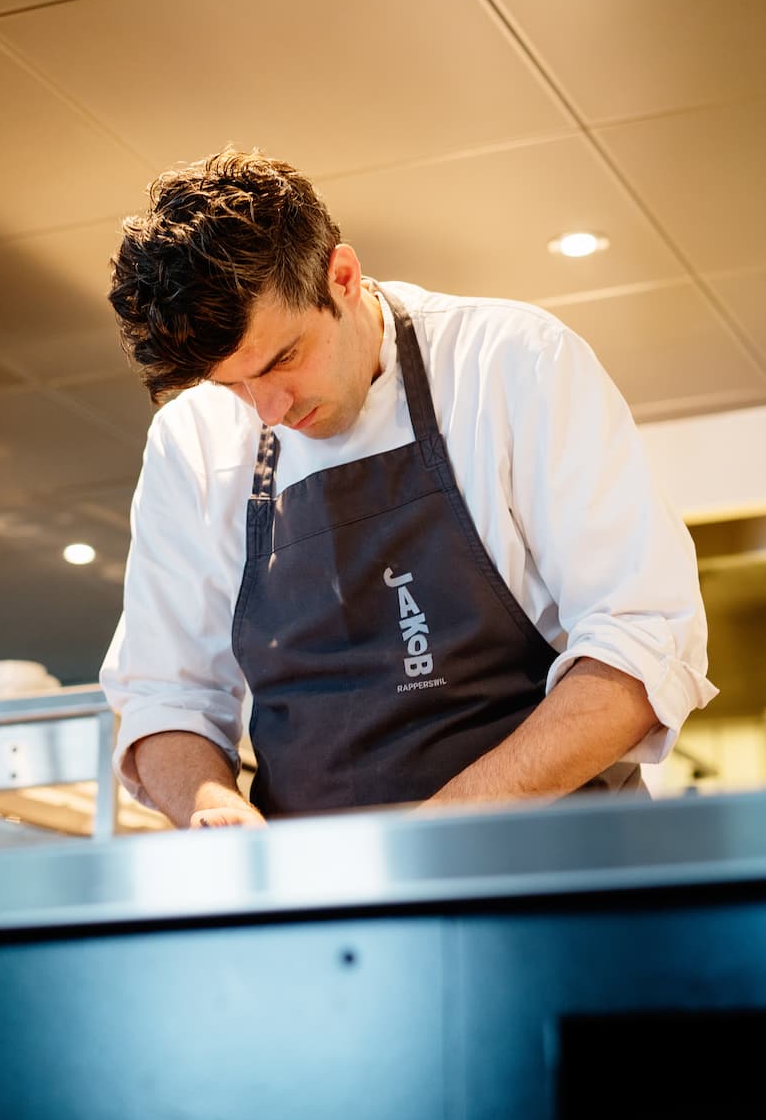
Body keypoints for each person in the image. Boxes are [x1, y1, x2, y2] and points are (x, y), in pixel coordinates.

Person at [100, 148, 716, 828]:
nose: (267, 409)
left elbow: (640, 640)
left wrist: (430, 839)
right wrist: (212, 808)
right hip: (327, 885)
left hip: (555, 864)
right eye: (232, 385)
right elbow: (166, 697)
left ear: (341, 277)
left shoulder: (511, 363)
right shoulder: (191, 441)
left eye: (284, 359)